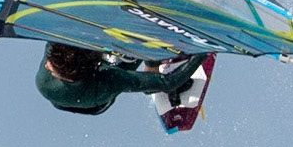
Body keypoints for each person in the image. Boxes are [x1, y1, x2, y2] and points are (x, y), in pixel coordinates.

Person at [36, 43, 205, 115]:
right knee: (134, 42)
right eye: (52, 66)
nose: (46, 66)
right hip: (95, 102)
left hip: (82, 71)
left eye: (50, 62)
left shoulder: (57, 47)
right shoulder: (107, 82)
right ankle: (151, 73)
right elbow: (169, 82)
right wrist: (205, 50)